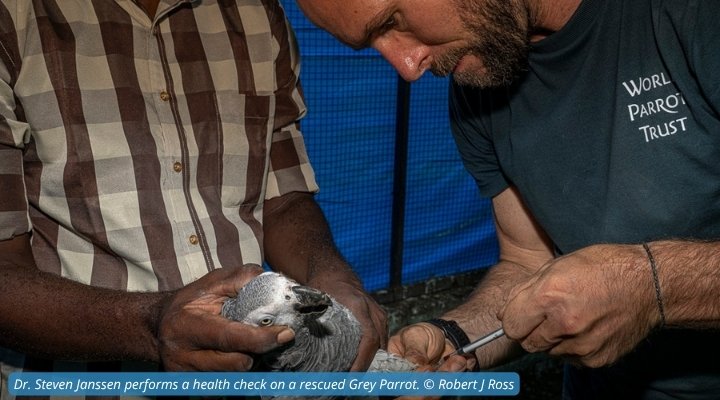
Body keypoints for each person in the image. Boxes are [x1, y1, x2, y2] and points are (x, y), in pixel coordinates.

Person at [294, 0, 720, 398]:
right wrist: (453, 340)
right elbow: (527, 264)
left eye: (392, 21)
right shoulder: (479, 82)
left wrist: (652, 286)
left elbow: (641, 285)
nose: (408, 67)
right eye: (373, 45)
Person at [0, 0, 386, 395]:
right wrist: (150, 326)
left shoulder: (258, 13)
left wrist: (331, 275)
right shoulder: (14, 15)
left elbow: (283, 198)